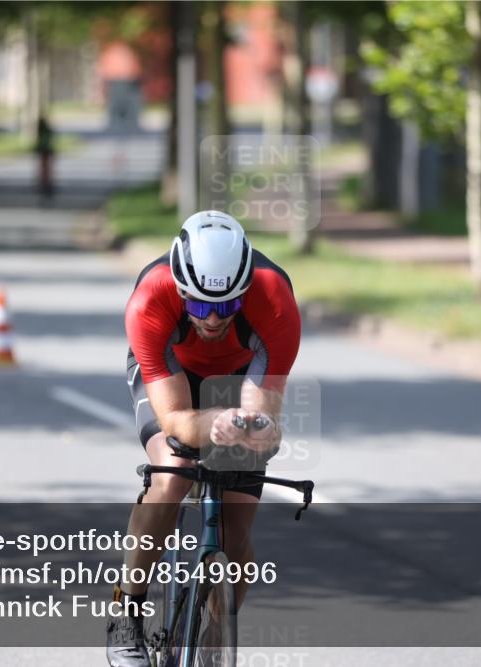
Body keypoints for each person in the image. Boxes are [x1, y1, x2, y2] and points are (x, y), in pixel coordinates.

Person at [106, 211, 301, 666]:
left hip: (238, 376)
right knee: (173, 475)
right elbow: (174, 416)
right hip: (171, 373)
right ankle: (126, 612)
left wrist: (259, 430)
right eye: (198, 306)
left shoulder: (274, 300)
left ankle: (216, 638)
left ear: (245, 290)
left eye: (227, 306)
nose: (212, 319)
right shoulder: (149, 300)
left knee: (236, 528)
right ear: (179, 287)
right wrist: (210, 423)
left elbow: (262, 409)